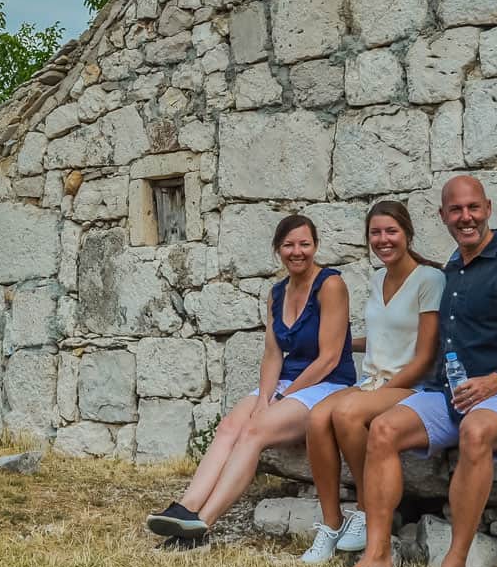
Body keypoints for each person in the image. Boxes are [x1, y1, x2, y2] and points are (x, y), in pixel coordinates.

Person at [326, 176, 497, 567]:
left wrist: (496, 381)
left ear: (487, 207)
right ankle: (376, 560)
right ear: (442, 216)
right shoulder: (449, 270)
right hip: (450, 394)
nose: (465, 217)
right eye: (455, 210)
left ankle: (453, 566)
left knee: (475, 432)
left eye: (472, 208)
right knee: (382, 429)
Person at [145, 214, 356, 546]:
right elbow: (273, 353)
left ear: (315, 246)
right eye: (288, 245)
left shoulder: (331, 285)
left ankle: (202, 525)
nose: (297, 251)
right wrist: (263, 399)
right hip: (288, 381)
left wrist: (282, 401)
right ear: (277, 250)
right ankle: (185, 509)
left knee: (255, 431)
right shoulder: (277, 293)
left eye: (304, 244)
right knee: (230, 425)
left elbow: (329, 357)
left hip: (326, 384)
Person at [299, 201, 445, 563]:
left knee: (347, 413)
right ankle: (332, 525)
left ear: (407, 234)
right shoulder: (378, 278)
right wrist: (341, 344)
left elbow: (425, 356)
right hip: (374, 381)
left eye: (391, 231)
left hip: (413, 386)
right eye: (375, 233)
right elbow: (382, 337)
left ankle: (367, 509)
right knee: (317, 417)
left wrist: (382, 391)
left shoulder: (430, 280)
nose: (383, 240)